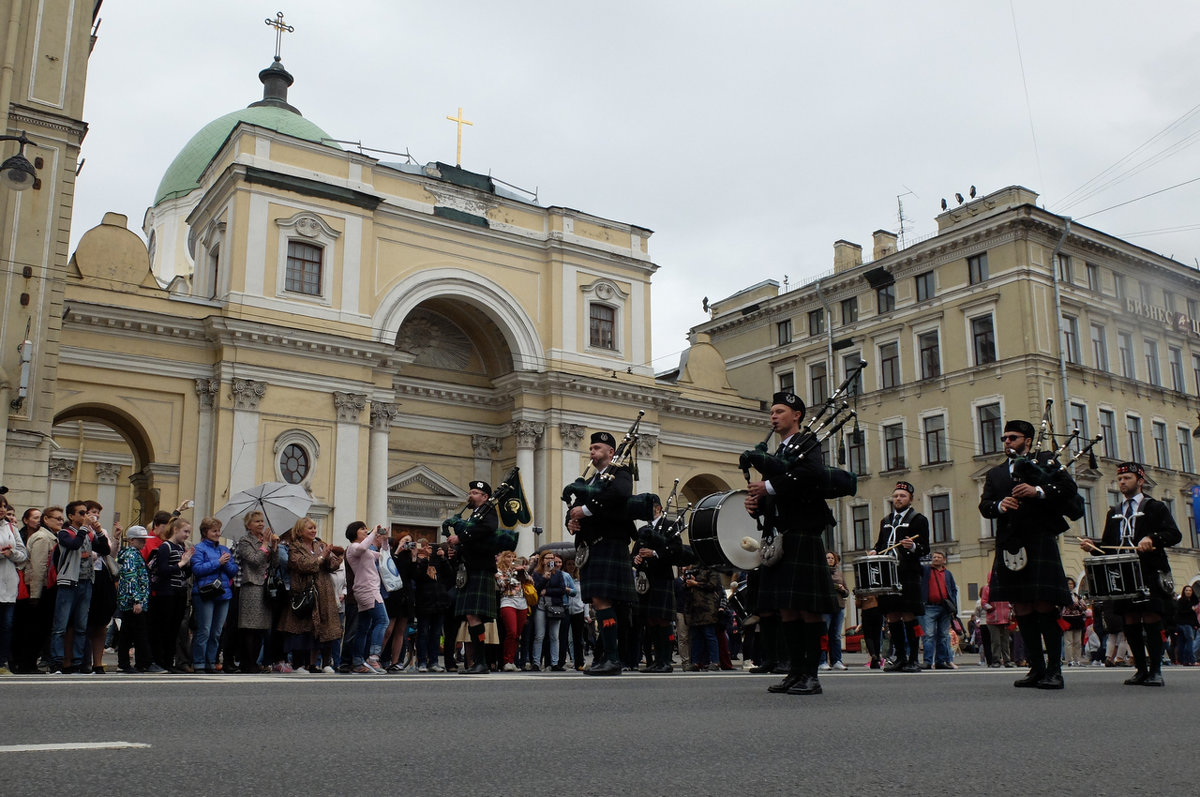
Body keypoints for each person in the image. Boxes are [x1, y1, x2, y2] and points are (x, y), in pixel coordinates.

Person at [744, 391, 852, 696]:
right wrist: (757, 506)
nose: (773, 416)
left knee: (807, 609)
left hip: (804, 534)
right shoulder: (777, 454)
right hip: (782, 535)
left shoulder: (807, 444)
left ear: (797, 416)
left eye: (780, 411)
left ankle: (812, 674)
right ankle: (795, 671)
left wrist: (766, 486)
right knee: (787, 609)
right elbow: (778, 496)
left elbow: (809, 476)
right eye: (772, 412)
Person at [980, 419, 1079, 690]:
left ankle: (1054, 671)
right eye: (1004, 438)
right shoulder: (997, 473)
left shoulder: (1045, 461)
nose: (1007, 442)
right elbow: (985, 505)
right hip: (1010, 542)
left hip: (1039, 539)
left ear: (1027, 439)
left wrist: (1037, 491)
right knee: (1022, 606)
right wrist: (1001, 505)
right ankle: (1036, 668)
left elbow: (1069, 490)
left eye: (1012, 437)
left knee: (1044, 605)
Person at [1080, 461, 1181, 686]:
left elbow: (1174, 534)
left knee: (1152, 617)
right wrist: (1092, 545)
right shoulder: (1115, 512)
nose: (1122, 482)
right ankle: (1141, 670)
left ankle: (1156, 670)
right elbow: (1108, 545)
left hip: (1150, 569)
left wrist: (1152, 539)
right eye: (1120, 479)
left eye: (1127, 478)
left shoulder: (1155, 507)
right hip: (1124, 573)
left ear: (1140, 481)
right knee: (1130, 619)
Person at [565, 431, 637, 676]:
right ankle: (605, 655)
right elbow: (575, 509)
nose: (592, 452)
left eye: (597, 448)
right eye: (591, 448)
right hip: (593, 545)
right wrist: (571, 522)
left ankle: (613, 659)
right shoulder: (592, 481)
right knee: (598, 603)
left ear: (611, 452)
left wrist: (584, 510)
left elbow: (620, 495)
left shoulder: (621, 473)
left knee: (602, 601)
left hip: (610, 543)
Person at [870, 481, 930, 673]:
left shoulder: (918, 519)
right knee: (892, 615)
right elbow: (881, 544)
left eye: (902, 496)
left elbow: (925, 548)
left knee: (908, 614)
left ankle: (913, 658)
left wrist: (912, 546)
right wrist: (874, 551)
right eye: (896, 496)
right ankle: (900, 658)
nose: (898, 499)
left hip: (908, 573)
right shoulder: (886, 521)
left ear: (910, 499)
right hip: (888, 574)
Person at [446, 480, 503, 674]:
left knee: (473, 615)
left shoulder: (488, 512)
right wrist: (458, 551)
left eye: (475, 492)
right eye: (470, 492)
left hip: (480, 570)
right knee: (471, 616)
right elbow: (474, 542)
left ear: (485, 497)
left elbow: (487, 531)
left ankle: (481, 662)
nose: (470, 495)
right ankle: (479, 662)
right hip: (471, 569)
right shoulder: (475, 515)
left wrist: (460, 537)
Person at [49, 500, 111, 673]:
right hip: (69, 582)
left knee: (81, 625)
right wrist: (85, 528)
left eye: (86, 513)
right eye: (81, 513)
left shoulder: (89, 534)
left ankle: (77, 662)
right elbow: (74, 544)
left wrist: (98, 532)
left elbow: (105, 550)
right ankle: (56, 661)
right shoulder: (64, 533)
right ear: (71, 516)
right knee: (61, 626)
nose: (86, 516)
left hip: (86, 582)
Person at [277, 517, 343, 673]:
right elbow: (301, 565)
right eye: (310, 528)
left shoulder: (320, 545)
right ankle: (299, 664)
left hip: (324, 593)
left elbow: (334, 564)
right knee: (302, 629)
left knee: (327, 627)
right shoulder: (295, 547)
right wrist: (320, 558)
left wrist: (327, 556)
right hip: (305, 593)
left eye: (314, 528)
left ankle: (325, 663)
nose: (314, 531)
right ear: (300, 531)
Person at [633, 498, 682, 673]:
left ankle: (666, 661)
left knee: (663, 620)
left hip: (662, 577)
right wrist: (636, 559)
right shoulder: (643, 530)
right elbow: (634, 553)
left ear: (658, 508)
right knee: (650, 620)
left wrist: (654, 553)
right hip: (645, 580)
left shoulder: (670, 525)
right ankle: (655, 660)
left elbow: (676, 549)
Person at [190, 517, 238, 674]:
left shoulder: (223, 549)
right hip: (205, 593)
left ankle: (211, 661)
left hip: (223, 593)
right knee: (204, 629)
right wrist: (218, 562)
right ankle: (199, 662)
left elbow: (233, 571)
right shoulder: (199, 548)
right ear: (205, 532)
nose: (217, 533)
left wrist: (226, 562)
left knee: (217, 631)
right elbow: (197, 570)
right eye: (214, 531)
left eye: (218, 530)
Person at [13, 507, 57, 673]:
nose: (60, 521)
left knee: (37, 629)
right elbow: (39, 568)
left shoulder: (49, 537)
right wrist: (36, 595)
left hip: (42, 588)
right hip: (38, 589)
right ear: (47, 520)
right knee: (34, 629)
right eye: (57, 518)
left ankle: (27, 662)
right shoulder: (43, 538)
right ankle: (27, 663)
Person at [234, 511, 278, 673]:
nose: (261, 524)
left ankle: (255, 662)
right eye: (257, 521)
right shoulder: (245, 541)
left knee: (261, 627)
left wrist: (274, 547)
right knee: (249, 627)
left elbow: (275, 562)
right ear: (248, 525)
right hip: (251, 585)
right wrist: (265, 545)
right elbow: (253, 560)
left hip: (265, 586)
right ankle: (247, 662)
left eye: (262, 521)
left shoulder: (264, 540)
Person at [344, 520, 390, 674]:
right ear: (354, 532)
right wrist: (373, 533)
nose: (365, 531)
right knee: (383, 620)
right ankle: (373, 657)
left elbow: (383, 557)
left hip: (367, 589)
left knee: (363, 627)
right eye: (362, 529)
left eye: (366, 529)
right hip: (367, 590)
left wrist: (384, 541)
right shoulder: (353, 547)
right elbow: (362, 547)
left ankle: (358, 662)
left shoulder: (365, 551)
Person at [115, 525, 162, 673]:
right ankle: (144, 662)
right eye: (140, 540)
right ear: (131, 540)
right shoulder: (131, 555)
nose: (143, 542)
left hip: (132, 601)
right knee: (139, 633)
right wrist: (136, 600)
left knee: (127, 633)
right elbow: (131, 578)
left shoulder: (134, 554)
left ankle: (126, 663)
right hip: (133, 602)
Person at [150, 517, 193, 672]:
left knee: (175, 628)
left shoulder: (181, 547)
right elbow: (162, 570)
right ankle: (160, 661)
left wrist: (187, 564)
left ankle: (169, 661)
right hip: (166, 592)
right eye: (185, 531)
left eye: (189, 532)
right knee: (164, 628)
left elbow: (185, 573)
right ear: (175, 530)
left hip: (180, 592)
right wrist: (181, 563)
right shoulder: (165, 547)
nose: (187, 535)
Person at [0, 499, 29, 675]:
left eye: (3, 506)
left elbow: (23, 554)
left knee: (6, 626)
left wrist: (11, 553)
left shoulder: (10, 527)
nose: (2, 510)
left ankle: (2, 662)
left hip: (8, 585)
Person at [920, 551, 959, 669]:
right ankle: (927, 661)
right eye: (934, 557)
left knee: (943, 635)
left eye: (939, 557)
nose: (936, 559)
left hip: (945, 608)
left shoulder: (948, 574)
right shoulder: (926, 570)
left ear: (944, 560)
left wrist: (953, 605)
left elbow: (953, 589)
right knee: (929, 635)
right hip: (929, 607)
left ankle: (940, 662)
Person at [820, 551, 849, 671]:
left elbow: (847, 592)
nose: (830, 560)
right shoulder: (821, 572)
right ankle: (822, 661)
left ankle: (837, 660)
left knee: (836, 635)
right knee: (824, 634)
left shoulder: (839, 573)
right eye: (827, 558)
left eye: (832, 558)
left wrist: (842, 589)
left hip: (839, 606)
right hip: (826, 606)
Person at [1061, 577, 1087, 667]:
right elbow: (1065, 606)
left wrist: (1078, 605)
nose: (1070, 586)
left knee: (1078, 642)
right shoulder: (1063, 595)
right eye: (1068, 584)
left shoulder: (1077, 596)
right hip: (1067, 619)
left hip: (1077, 619)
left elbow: (1084, 606)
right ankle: (1069, 660)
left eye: (1071, 584)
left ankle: (1077, 659)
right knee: (1068, 641)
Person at [1175, 585, 1198, 667]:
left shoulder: (1191, 601)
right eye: (1186, 590)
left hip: (1186, 624)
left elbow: (1193, 616)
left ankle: (1184, 660)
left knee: (1182, 643)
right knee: (1189, 642)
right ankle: (1191, 660)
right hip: (1185, 624)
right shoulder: (1182, 601)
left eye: (1190, 590)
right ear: (1184, 592)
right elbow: (1180, 612)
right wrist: (1190, 610)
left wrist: (1196, 624)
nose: (1188, 592)